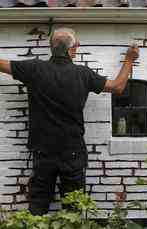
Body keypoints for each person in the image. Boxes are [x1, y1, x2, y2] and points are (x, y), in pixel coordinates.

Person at [0, 27, 139, 215]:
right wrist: (129, 59)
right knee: (73, 210)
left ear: (52, 48)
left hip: (43, 152)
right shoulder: (83, 74)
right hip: (72, 152)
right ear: (72, 48)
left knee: (37, 207)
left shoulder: (33, 69)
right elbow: (117, 87)